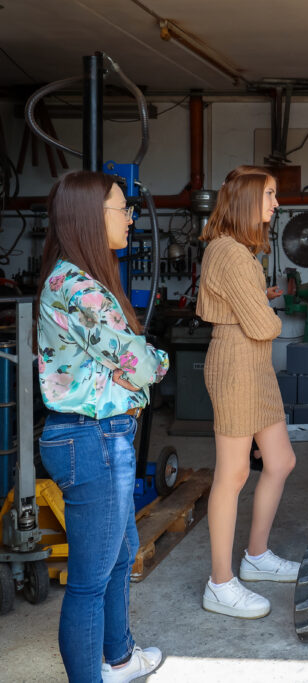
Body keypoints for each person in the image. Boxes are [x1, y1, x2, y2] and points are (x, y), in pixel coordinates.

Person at [36, 171, 169, 682]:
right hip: (90, 438)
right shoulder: (78, 289)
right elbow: (140, 365)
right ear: (93, 218)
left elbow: (126, 358)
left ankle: (119, 658)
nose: (131, 219)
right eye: (122, 209)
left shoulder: (83, 282)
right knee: (91, 579)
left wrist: (138, 356)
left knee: (120, 555)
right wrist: (154, 359)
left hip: (104, 434)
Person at [197, 165, 297, 619]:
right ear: (246, 201)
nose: (276, 204)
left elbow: (254, 315)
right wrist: (266, 313)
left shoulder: (239, 252)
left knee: (280, 461)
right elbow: (263, 325)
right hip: (237, 363)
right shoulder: (231, 254)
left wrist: (259, 305)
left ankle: (255, 557)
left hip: (253, 364)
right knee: (233, 474)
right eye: (270, 195)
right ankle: (219, 583)